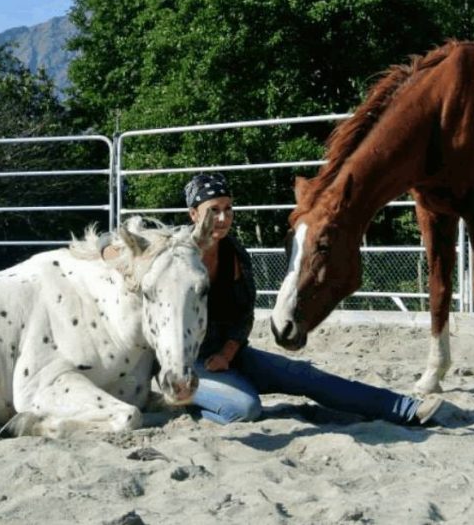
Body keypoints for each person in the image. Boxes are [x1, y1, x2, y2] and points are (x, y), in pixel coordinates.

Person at [183, 172, 442, 426]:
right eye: (213, 210)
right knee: (246, 408)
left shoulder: (236, 252)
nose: (222, 218)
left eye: (228, 209)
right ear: (193, 214)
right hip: (188, 363)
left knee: (306, 376)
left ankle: (405, 408)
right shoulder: (176, 258)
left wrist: (227, 354)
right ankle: (180, 399)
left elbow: (244, 315)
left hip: (232, 355)